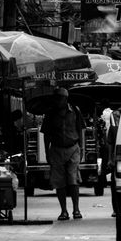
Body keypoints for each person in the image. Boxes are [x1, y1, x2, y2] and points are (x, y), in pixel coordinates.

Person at [41, 87, 85, 221]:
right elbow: (46, 134)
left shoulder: (75, 111)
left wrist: (82, 148)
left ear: (65, 99)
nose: (57, 101)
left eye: (60, 98)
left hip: (73, 148)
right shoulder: (50, 113)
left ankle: (76, 209)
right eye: (56, 98)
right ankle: (64, 211)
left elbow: (80, 130)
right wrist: (47, 152)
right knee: (59, 182)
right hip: (56, 149)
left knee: (73, 179)